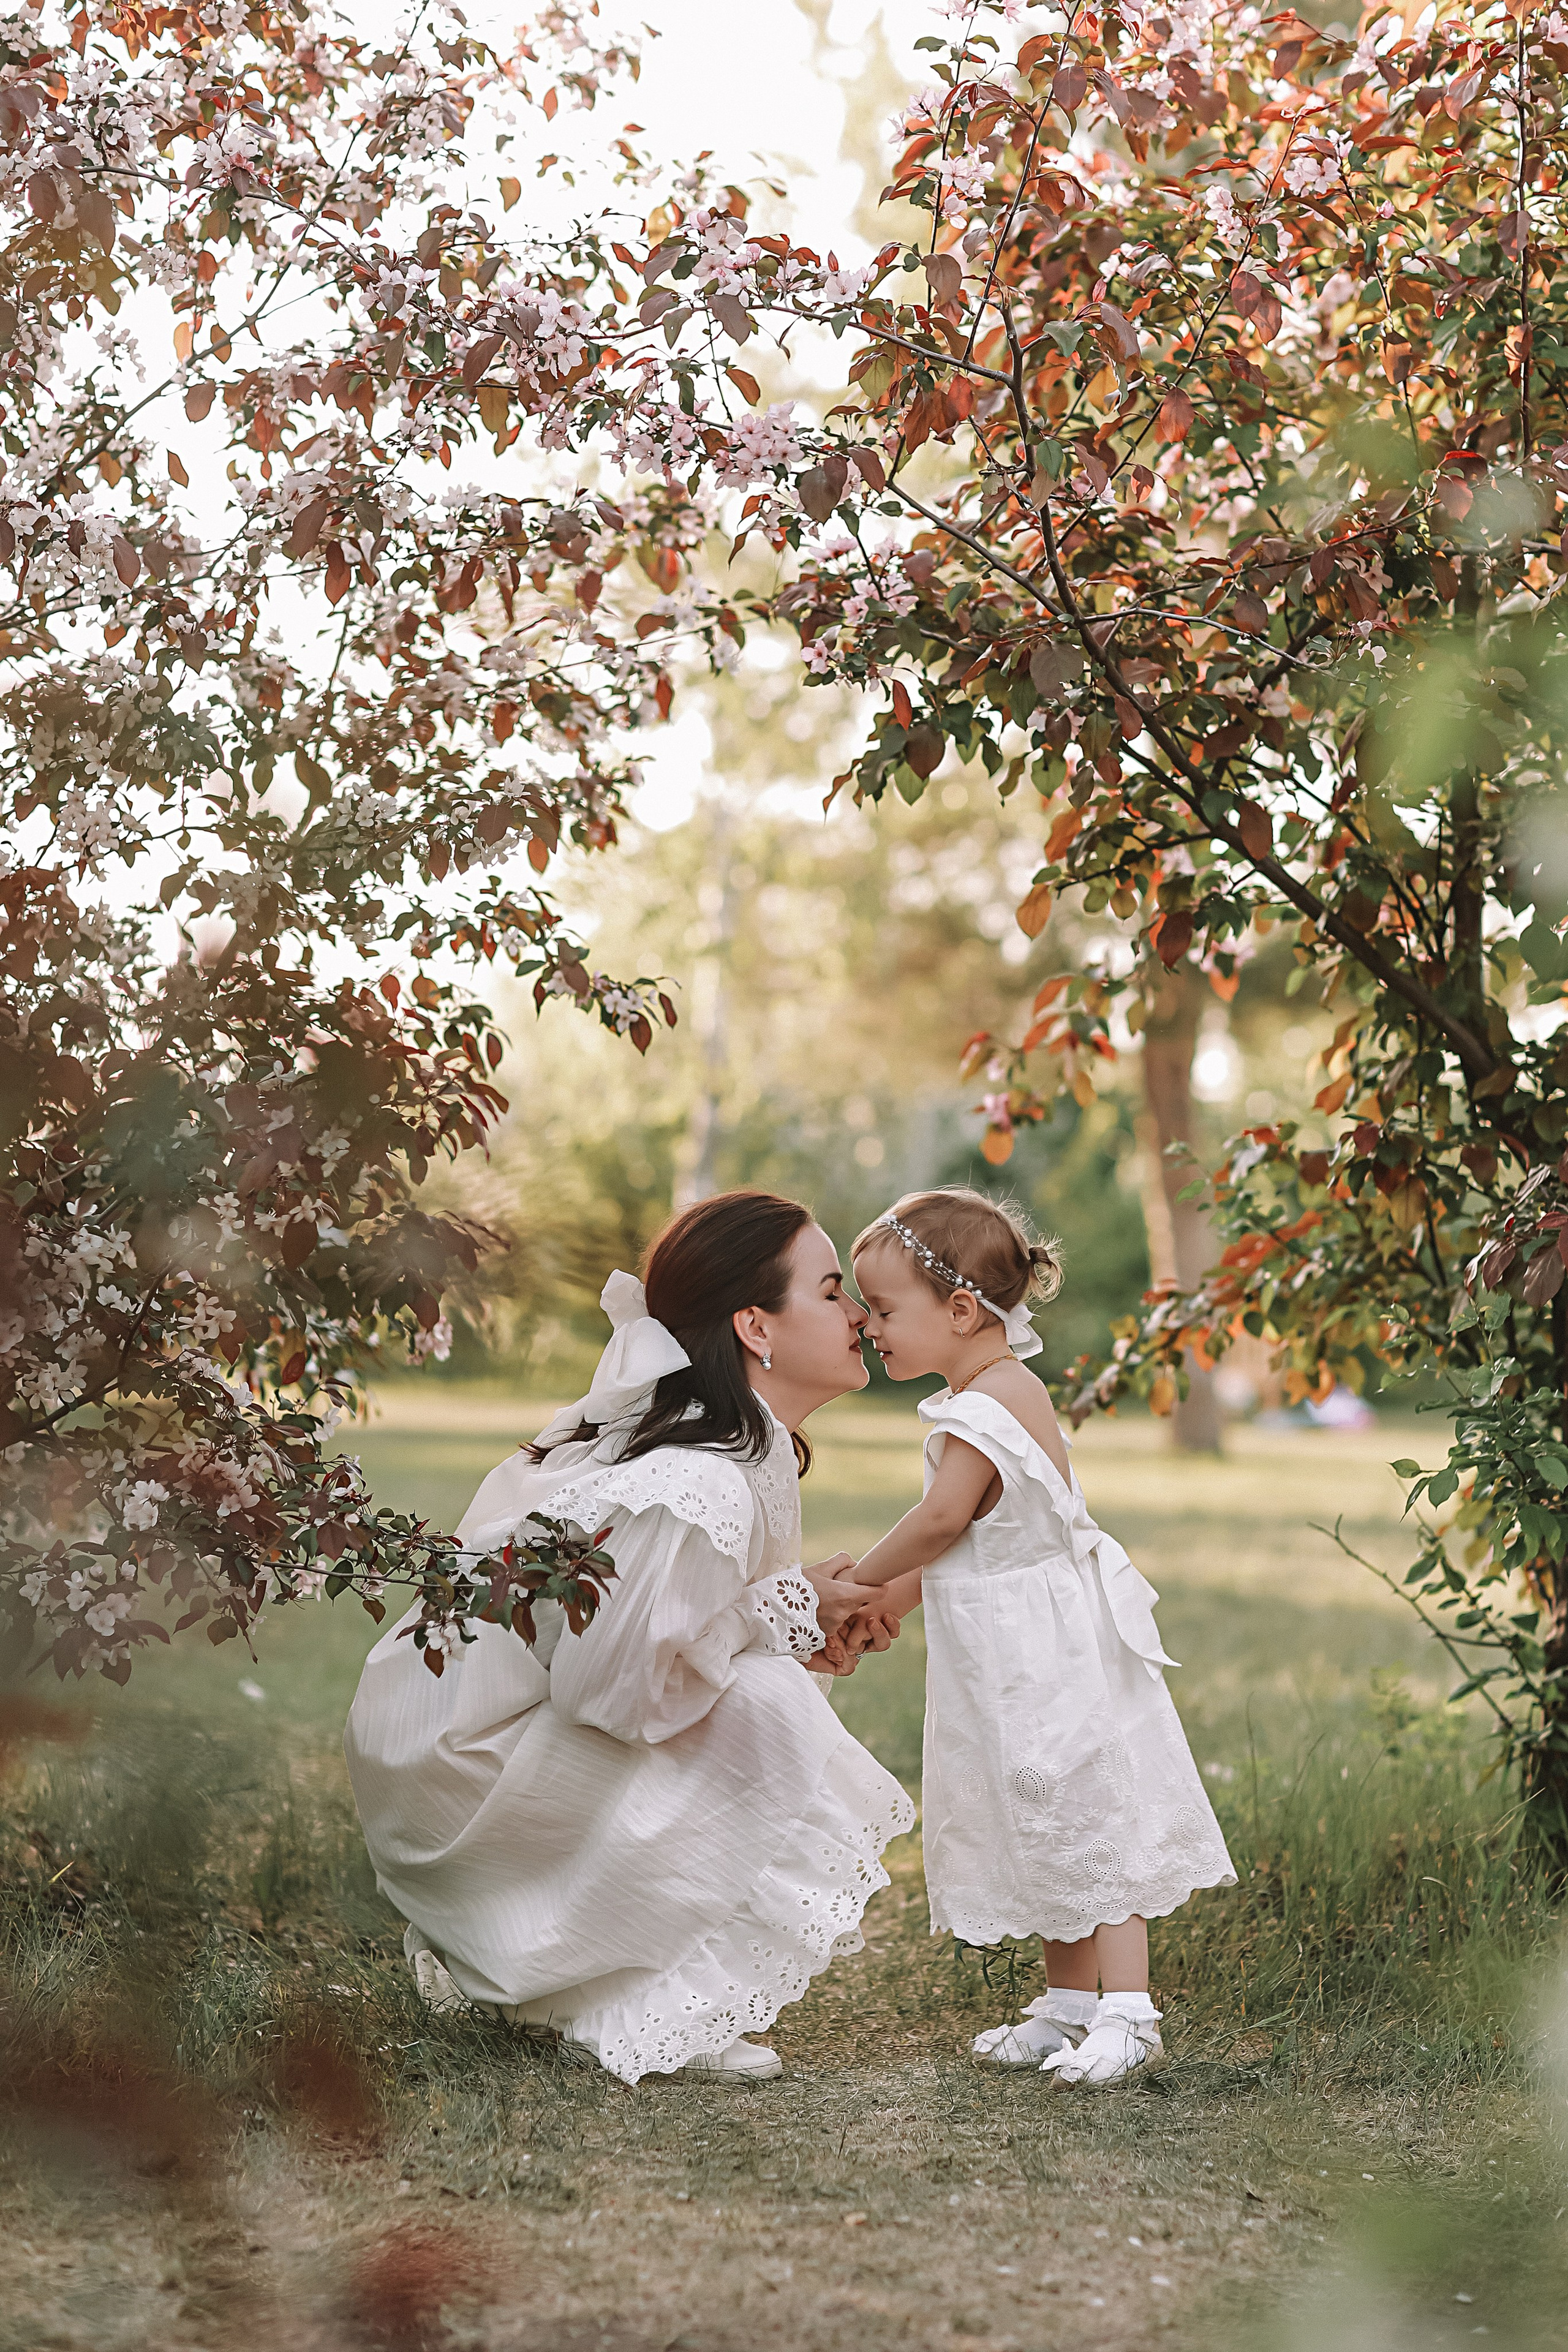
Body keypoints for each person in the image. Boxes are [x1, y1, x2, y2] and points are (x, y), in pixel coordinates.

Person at [344, 1191, 913, 2086]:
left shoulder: (740, 1449)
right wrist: (782, 1613)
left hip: (484, 1746)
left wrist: (796, 1619)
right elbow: (617, 1690)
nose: (858, 1315)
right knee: (766, 1709)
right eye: (834, 1291)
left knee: (769, 1687)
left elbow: (661, 1641)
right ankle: (636, 1987)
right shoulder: (704, 1479)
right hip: (459, 1769)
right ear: (756, 1327)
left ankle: (596, 1971)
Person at [838, 1187, 1234, 2087]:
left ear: (963, 1311)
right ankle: (1067, 2009)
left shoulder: (991, 1403)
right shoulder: (983, 1393)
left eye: (886, 1309)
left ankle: (1130, 2014)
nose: (868, 1325)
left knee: (1088, 1813)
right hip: (1008, 1647)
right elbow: (961, 1540)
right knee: (1039, 1810)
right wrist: (883, 1609)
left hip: (1047, 1653)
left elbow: (940, 1521)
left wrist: (855, 1584)